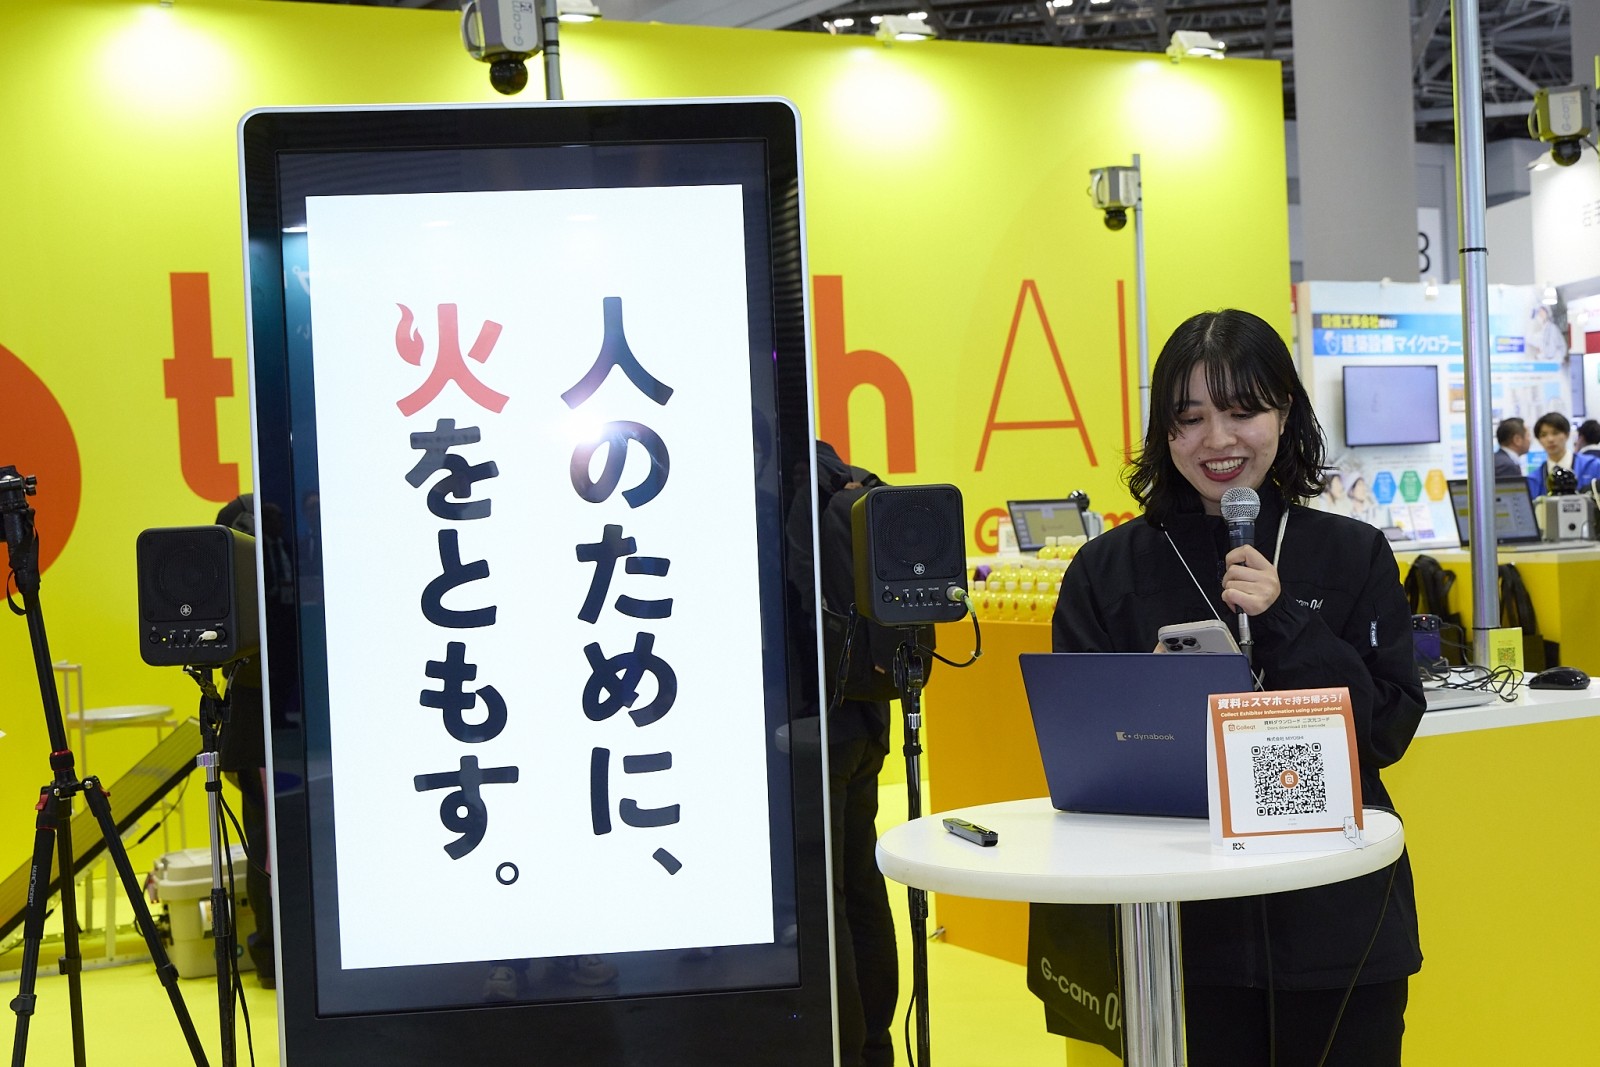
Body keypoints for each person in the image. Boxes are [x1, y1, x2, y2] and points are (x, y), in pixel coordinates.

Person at [1043, 309, 1425, 1066]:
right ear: (1164, 432)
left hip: (1335, 922)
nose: (1217, 440)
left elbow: (1386, 730)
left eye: (1242, 411)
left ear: (1285, 412)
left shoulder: (1352, 553)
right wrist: (1151, 704)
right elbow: (1081, 766)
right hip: (1177, 937)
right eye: (1189, 419)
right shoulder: (1107, 571)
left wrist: (1285, 620)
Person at [1527, 411, 1600, 497]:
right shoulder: (1534, 479)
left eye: (1555, 433)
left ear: (1567, 434)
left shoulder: (1593, 466)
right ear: (1539, 440)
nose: (1550, 439)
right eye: (1543, 435)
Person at [1493, 417, 1529, 481]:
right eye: (1528, 435)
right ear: (1517, 440)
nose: (1529, 440)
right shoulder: (1507, 466)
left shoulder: (1496, 459)